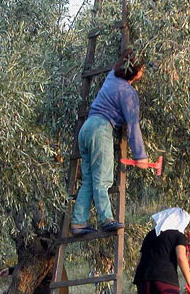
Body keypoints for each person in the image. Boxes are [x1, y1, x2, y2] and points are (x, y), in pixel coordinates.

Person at [71, 49, 151, 236]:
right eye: (142, 68)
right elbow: (133, 125)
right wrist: (141, 156)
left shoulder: (111, 77)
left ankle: (78, 222)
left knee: (89, 180)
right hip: (101, 130)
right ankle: (106, 219)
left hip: (86, 129)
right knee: (103, 178)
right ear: (136, 73)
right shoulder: (128, 93)